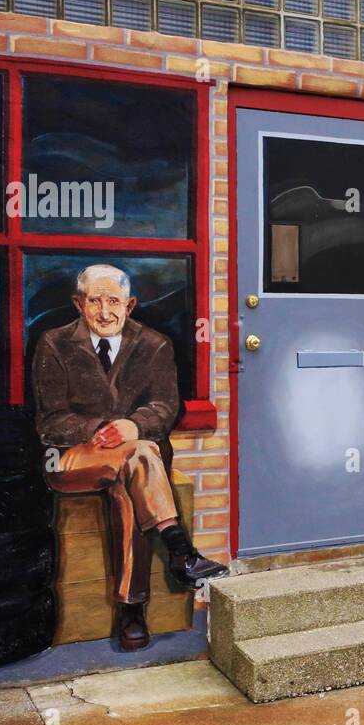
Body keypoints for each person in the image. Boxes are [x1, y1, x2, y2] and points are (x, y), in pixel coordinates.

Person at [31, 264, 227, 651]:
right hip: (72, 458)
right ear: (78, 304)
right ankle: (179, 553)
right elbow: (49, 421)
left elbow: (166, 406)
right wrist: (102, 430)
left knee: (131, 475)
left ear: (130, 304)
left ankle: (132, 609)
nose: (105, 312)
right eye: (95, 301)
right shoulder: (52, 344)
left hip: (136, 458)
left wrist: (133, 427)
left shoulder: (155, 344)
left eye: (114, 301)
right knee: (137, 458)